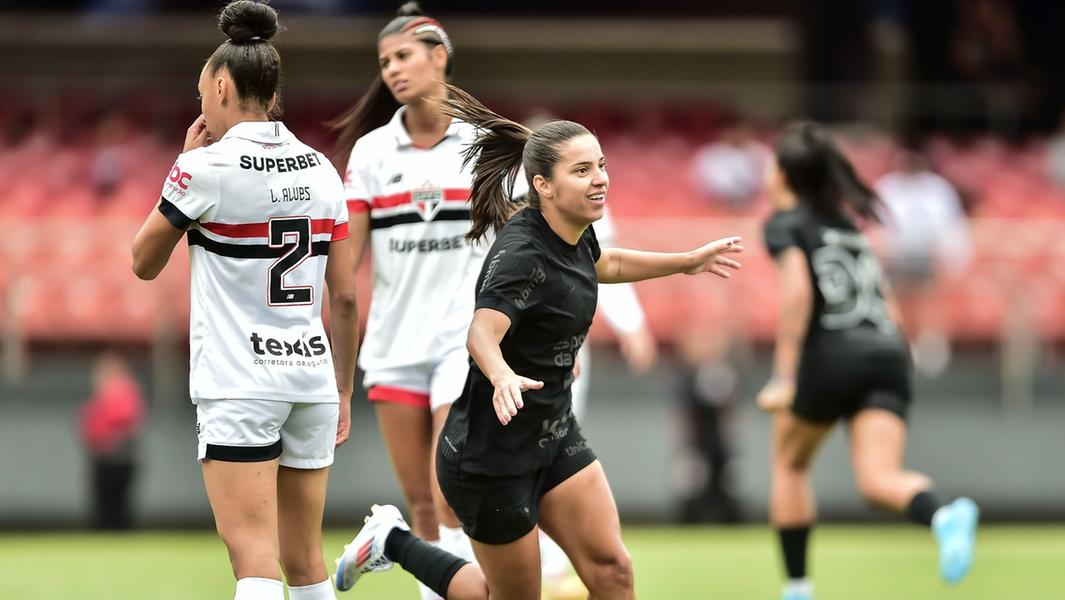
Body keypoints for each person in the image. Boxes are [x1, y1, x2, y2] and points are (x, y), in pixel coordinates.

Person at [333, 84, 743, 600]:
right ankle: (393, 541)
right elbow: (481, 332)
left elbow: (606, 264)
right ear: (543, 186)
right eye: (582, 171)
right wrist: (502, 373)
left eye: (601, 165)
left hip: (552, 434)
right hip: (491, 458)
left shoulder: (573, 230)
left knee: (614, 573)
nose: (599, 180)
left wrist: (684, 262)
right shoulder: (521, 254)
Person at [330, 6, 652, 597]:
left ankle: (402, 549)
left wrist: (550, 335)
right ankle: (393, 542)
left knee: (452, 502)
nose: (394, 70)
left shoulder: (486, 145)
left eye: (404, 55)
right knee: (425, 503)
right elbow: (347, 264)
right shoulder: (372, 153)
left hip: (470, 342)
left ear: (440, 56)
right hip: (395, 344)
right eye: (384, 62)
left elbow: (547, 242)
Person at [130, 3, 359, 599]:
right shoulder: (323, 172)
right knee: (306, 559)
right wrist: (343, 389)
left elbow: (142, 262)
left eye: (202, 90)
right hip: (309, 376)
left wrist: (183, 165)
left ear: (224, 84)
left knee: (253, 557)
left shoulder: (204, 168)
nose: (201, 103)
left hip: (239, 379)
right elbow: (348, 299)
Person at [756, 123, 979, 600]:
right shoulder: (850, 225)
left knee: (790, 465)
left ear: (785, 174)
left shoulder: (785, 222)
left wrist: (784, 376)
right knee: (879, 480)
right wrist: (898, 354)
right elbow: (884, 297)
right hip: (888, 352)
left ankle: (797, 588)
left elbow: (797, 295)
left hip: (831, 353)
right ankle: (942, 516)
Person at [873, 145, 971, 375]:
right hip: (896, 257)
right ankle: (900, 345)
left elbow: (951, 226)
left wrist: (951, 257)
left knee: (930, 301)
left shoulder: (938, 189)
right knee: (897, 303)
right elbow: (878, 225)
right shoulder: (888, 187)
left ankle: (931, 349)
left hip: (929, 257)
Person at [79, 352, 145, 530]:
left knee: (119, 503)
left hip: (120, 456)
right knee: (103, 504)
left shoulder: (124, 391)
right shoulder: (100, 396)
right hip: (103, 456)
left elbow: (124, 419)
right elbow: (87, 424)